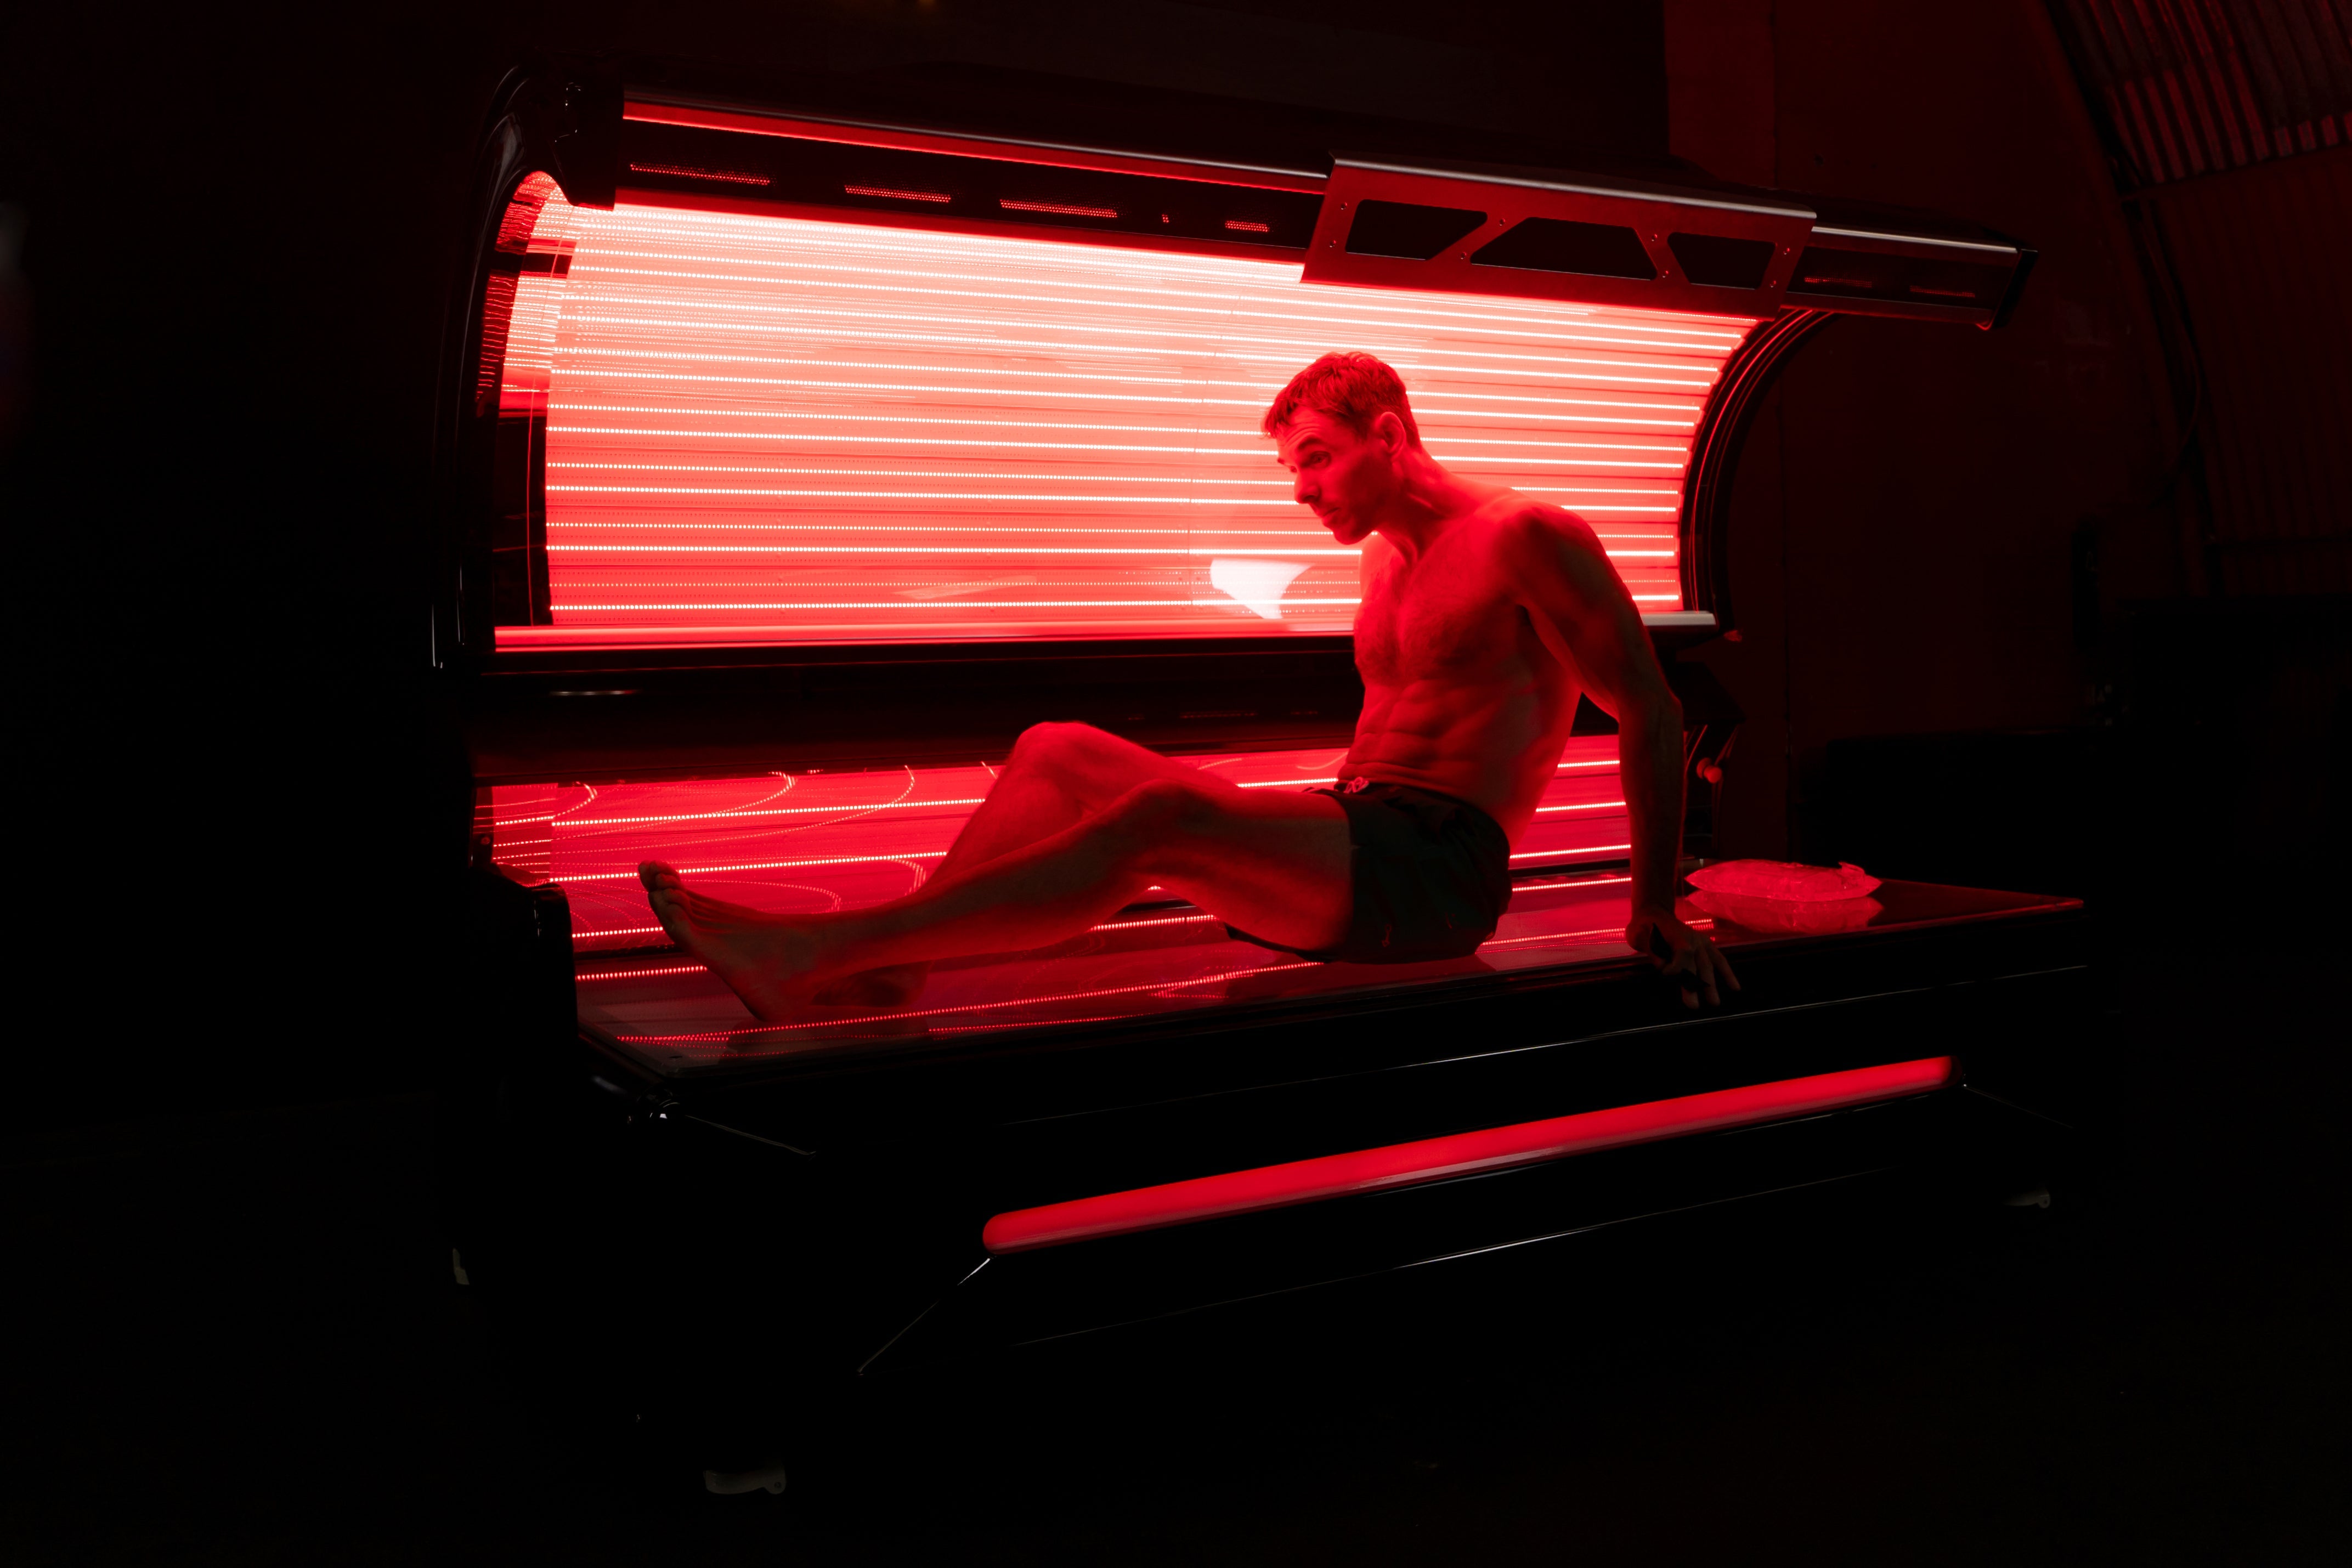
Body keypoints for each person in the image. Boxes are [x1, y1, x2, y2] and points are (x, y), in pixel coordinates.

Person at [640, 351, 1740, 1019]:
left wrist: (1654, 902)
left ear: (1388, 432)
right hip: (1355, 828)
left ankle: (815, 955)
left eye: (1314, 457)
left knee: (1161, 814)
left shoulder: (1525, 533)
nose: (1299, 489)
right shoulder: (1379, 559)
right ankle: (888, 977)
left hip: (1436, 873)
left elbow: (1647, 703)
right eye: (1289, 470)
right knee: (1055, 744)